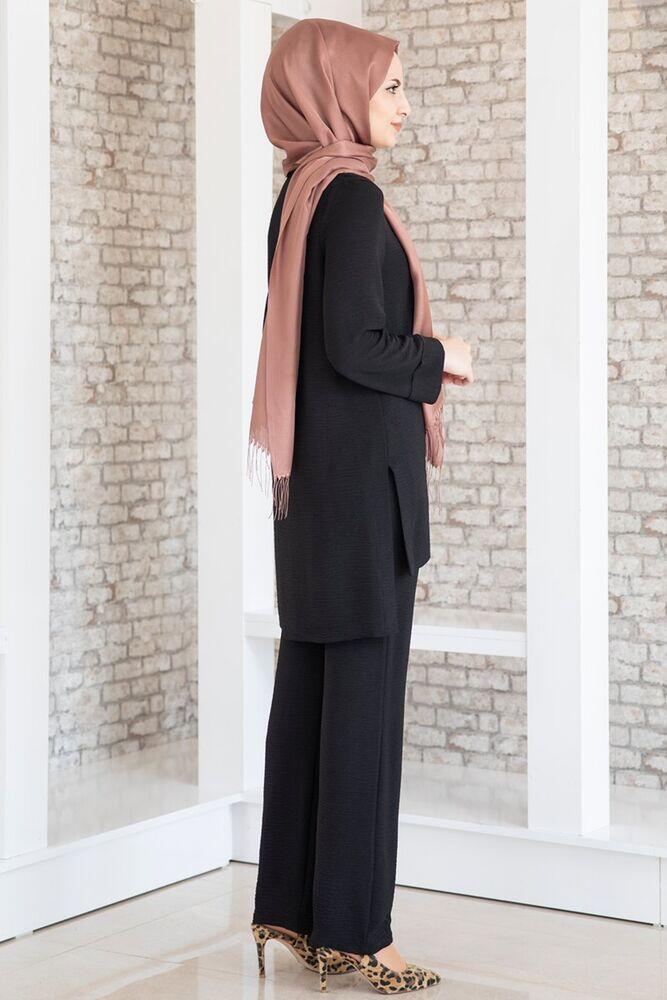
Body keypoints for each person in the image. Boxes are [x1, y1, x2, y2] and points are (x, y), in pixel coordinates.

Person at [247, 17, 474, 996]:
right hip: (364, 502)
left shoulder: (297, 196)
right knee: (365, 718)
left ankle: (293, 913)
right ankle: (359, 937)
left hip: (313, 501)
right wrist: (439, 357)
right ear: (336, 91)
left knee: (312, 700)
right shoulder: (350, 198)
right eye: (389, 89)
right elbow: (353, 345)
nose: (404, 106)